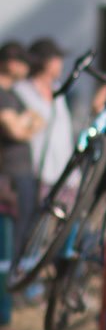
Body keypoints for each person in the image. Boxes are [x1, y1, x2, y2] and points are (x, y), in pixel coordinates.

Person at [16, 39, 76, 198]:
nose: (61, 64)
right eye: (57, 59)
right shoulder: (22, 91)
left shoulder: (58, 90)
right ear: (44, 62)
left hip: (65, 178)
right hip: (35, 176)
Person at [0, 42, 42, 253]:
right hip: (8, 177)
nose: (27, 69)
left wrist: (23, 124)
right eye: (24, 63)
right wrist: (24, 127)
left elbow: (38, 119)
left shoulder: (13, 95)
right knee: (8, 241)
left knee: (20, 239)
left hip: (21, 175)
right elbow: (14, 131)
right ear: (11, 63)